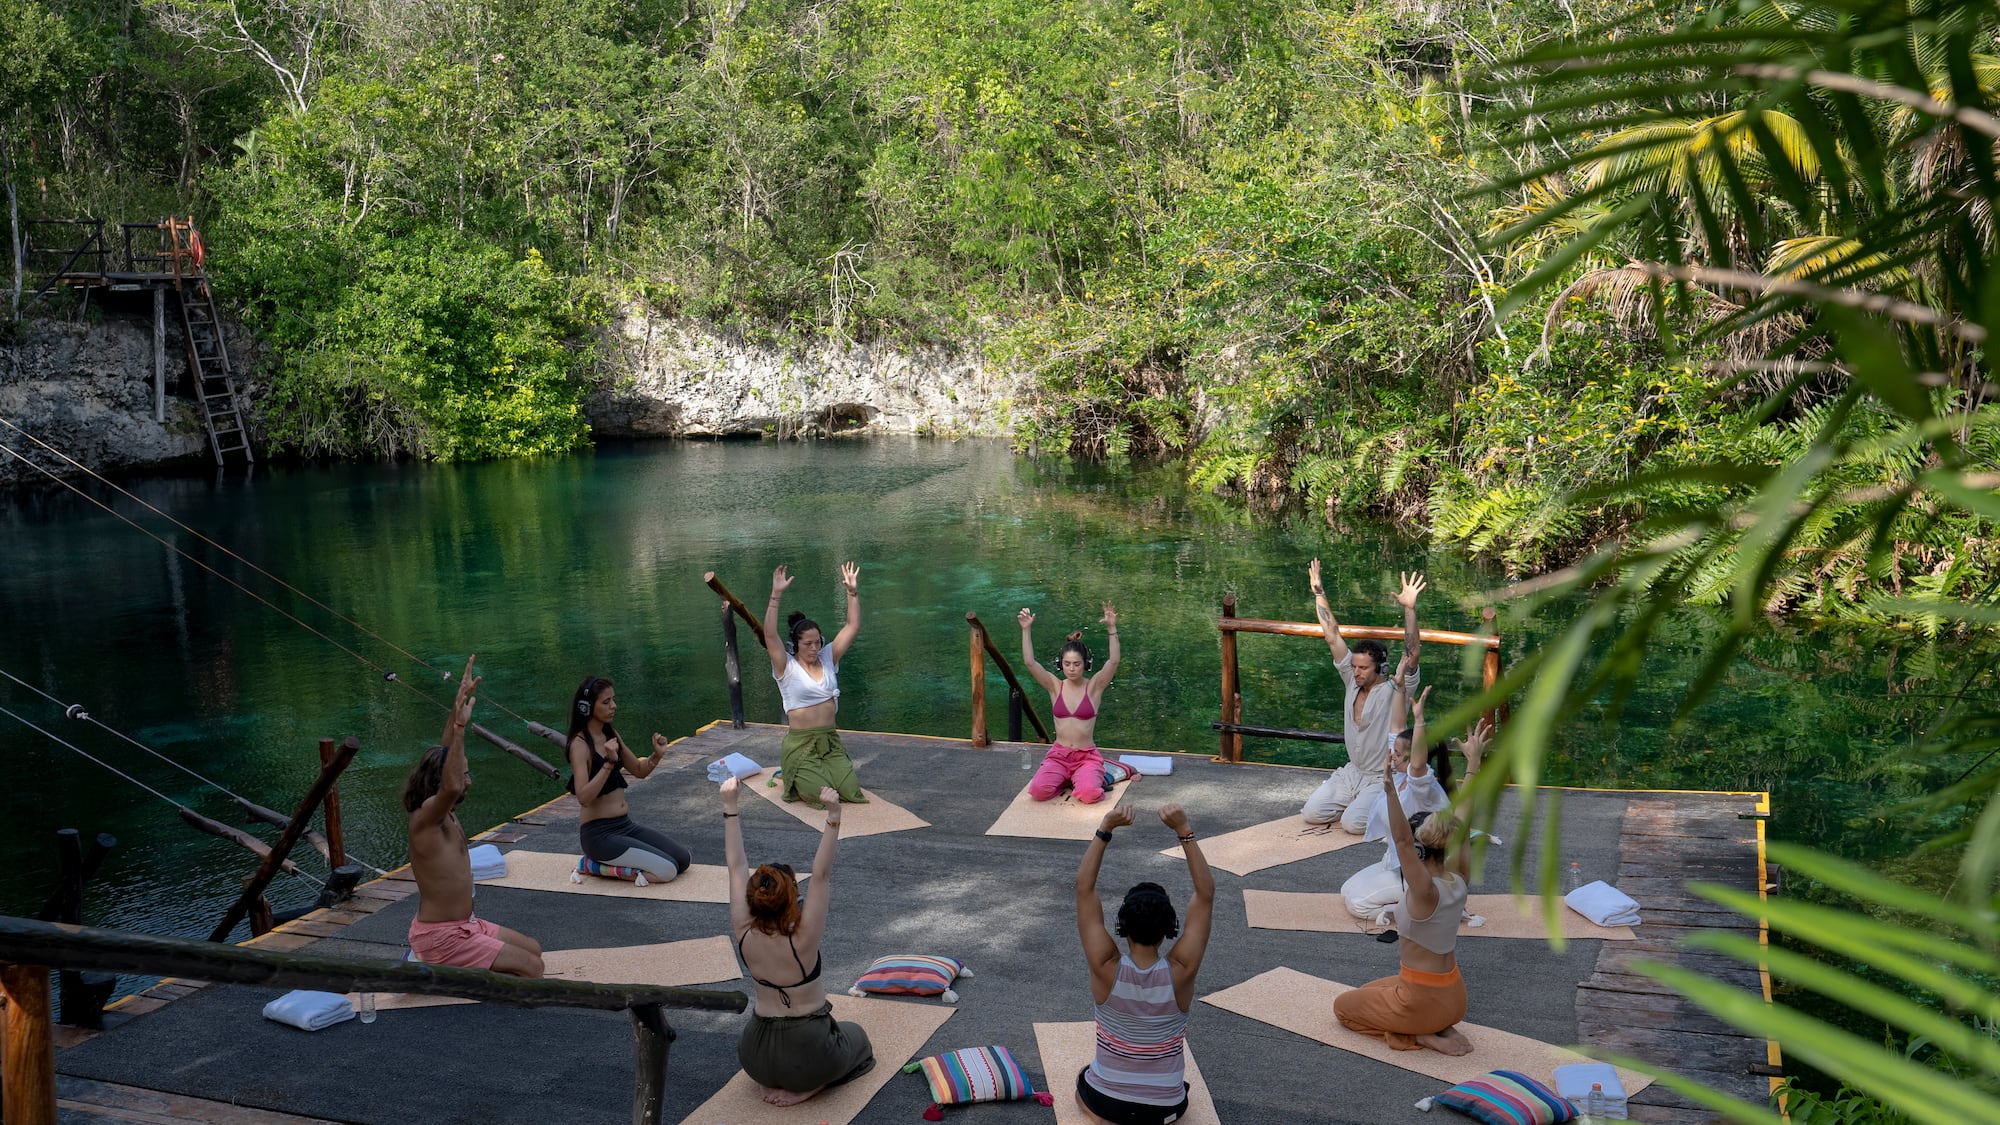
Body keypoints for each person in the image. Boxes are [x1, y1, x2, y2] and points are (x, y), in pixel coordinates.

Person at [721, 775, 874, 1107]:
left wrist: (730, 806)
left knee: (825, 1040)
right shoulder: (803, 935)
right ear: (792, 897)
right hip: (807, 1050)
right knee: (857, 1038)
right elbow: (820, 874)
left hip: (755, 1055)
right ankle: (810, 1087)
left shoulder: (743, 928)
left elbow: (736, 867)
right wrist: (833, 816)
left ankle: (778, 1080)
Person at [1073, 801, 1214, 1125]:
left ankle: (1104, 1117)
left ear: (1120, 928)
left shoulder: (1105, 965)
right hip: (1167, 1108)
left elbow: (1084, 890)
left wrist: (1105, 828)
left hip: (1108, 1104)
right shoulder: (1181, 970)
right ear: (1170, 930)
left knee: (1083, 1079)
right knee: (1175, 1095)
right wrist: (1184, 832)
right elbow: (1205, 895)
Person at [404, 655, 544, 976]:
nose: (468, 780)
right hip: (441, 937)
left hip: (466, 925)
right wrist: (461, 726)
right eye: (464, 775)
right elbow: (451, 784)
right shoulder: (427, 816)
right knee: (532, 969)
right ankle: (430, 966)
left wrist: (459, 701)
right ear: (443, 783)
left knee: (533, 949)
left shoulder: (441, 808)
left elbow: (446, 754)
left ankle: (455, 963)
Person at [1331, 753, 1473, 1055]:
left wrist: (1389, 789)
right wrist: (1472, 765)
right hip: (1455, 998)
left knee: (1343, 1006)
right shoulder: (1459, 880)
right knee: (1368, 991)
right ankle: (1439, 1024)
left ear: (1419, 853)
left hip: (1421, 1001)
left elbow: (1402, 840)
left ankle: (1419, 1036)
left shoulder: (1425, 891)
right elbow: (1464, 823)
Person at [1342, 690, 1488, 923]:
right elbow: (1397, 726)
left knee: (1357, 903)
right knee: (1347, 889)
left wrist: (1419, 721)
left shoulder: (1422, 786)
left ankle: (1420, 908)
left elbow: (1418, 765)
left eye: (1399, 754)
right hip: (1396, 862)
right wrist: (1399, 686)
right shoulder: (1399, 775)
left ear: (1412, 760)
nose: (1392, 756)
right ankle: (1422, 904)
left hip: (1423, 870)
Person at [1301, 563, 1425, 832]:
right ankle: (1362, 801)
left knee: (1354, 824)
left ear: (1379, 668)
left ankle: (1393, 802)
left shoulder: (1397, 688)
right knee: (1312, 813)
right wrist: (1319, 593)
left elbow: (1412, 652)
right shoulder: (1351, 680)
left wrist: (1409, 608)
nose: (1355, 672)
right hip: (1352, 772)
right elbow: (1332, 636)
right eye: (1354, 666)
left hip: (1381, 775)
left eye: (1363, 668)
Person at [567, 675, 691, 883]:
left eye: (613, 700)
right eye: (606, 702)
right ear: (585, 707)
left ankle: (608, 863)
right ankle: (593, 865)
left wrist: (657, 755)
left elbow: (639, 770)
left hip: (624, 826)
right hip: (598, 836)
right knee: (667, 871)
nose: (613, 706)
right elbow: (583, 797)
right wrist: (608, 763)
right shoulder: (579, 745)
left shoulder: (610, 733)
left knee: (682, 859)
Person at [763, 563, 867, 809]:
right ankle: (795, 774)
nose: (813, 648)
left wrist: (852, 593)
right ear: (796, 645)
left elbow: (853, 626)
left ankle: (819, 772)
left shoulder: (828, 657)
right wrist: (775, 595)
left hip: (829, 740)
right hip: (801, 742)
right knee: (822, 796)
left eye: (817, 642)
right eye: (807, 644)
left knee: (850, 792)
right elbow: (769, 636)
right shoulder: (786, 667)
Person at [1018, 603, 1122, 803]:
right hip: (1059, 754)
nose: (1071, 669)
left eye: (1077, 664)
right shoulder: (1054, 686)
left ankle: (1099, 775)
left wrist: (1111, 628)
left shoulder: (1094, 687)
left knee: (1089, 794)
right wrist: (1026, 629)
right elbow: (1030, 662)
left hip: (1086, 756)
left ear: (1086, 665)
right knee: (1038, 793)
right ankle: (1069, 778)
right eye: (1067, 664)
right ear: (1060, 664)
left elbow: (1114, 662)